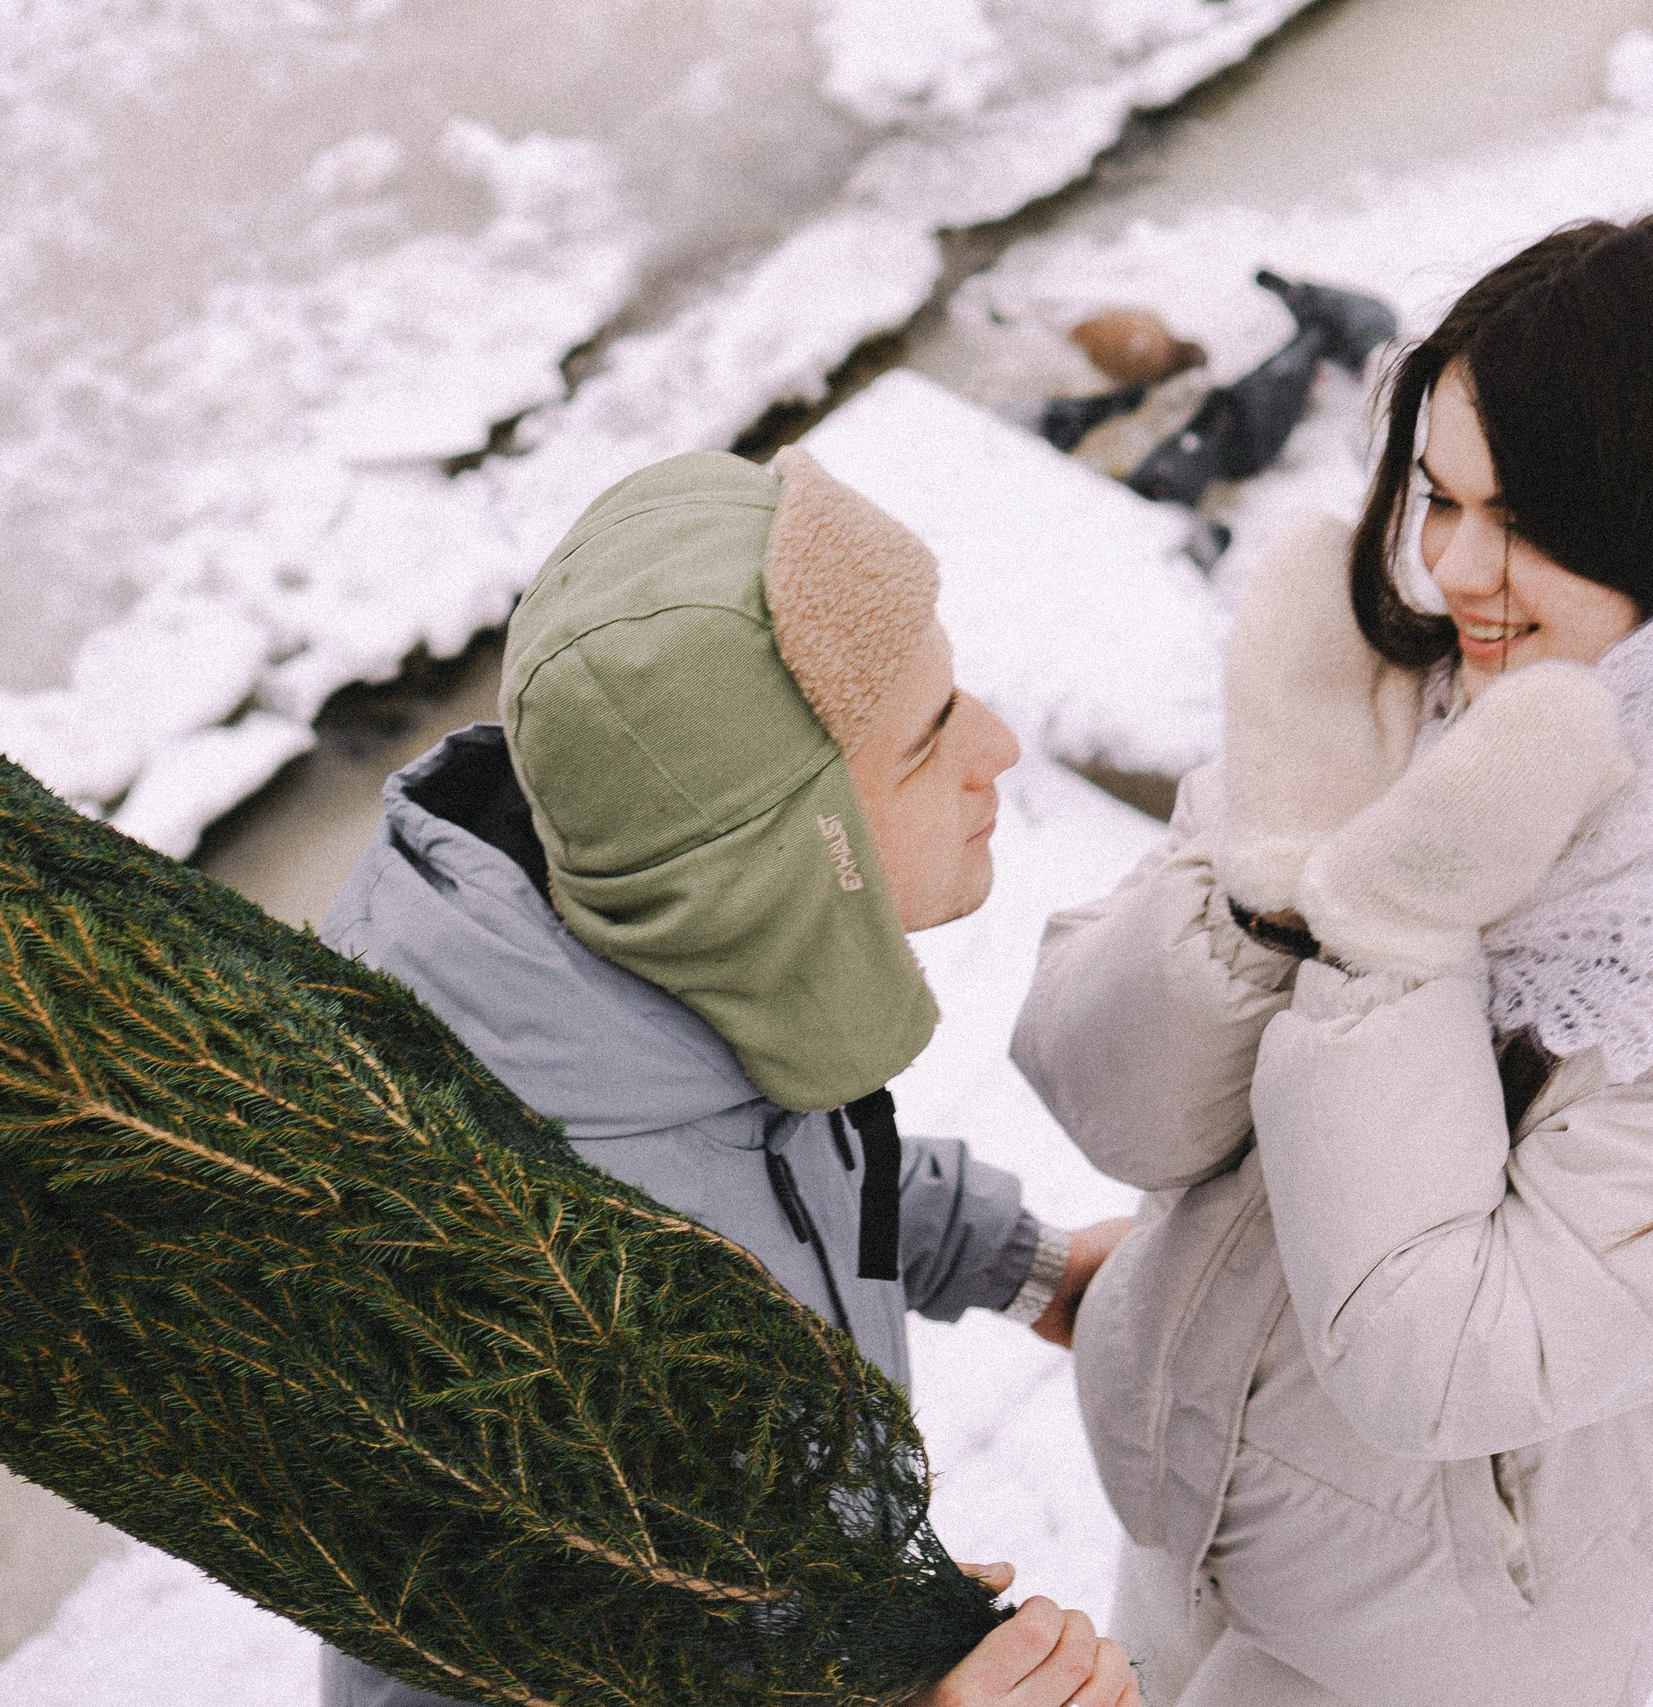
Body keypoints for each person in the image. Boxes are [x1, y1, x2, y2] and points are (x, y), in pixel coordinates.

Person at [1010, 215, 1653, 1706]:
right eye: (1438, 496)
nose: (1455, 569)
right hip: (1198, 1509)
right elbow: (1111, 1101)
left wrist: (1391, 939)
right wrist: (1272, 883)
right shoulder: (1418, 684)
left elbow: (1451, 1358)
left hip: (1434, 1648)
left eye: (1525, 517)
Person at [316, 445, 1136, 1707]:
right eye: (927, 741)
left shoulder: (655, 956)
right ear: (788, 859)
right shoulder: (501, 1269)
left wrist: (1023, 1263)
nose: (1001, 745)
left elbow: (785, 1172)